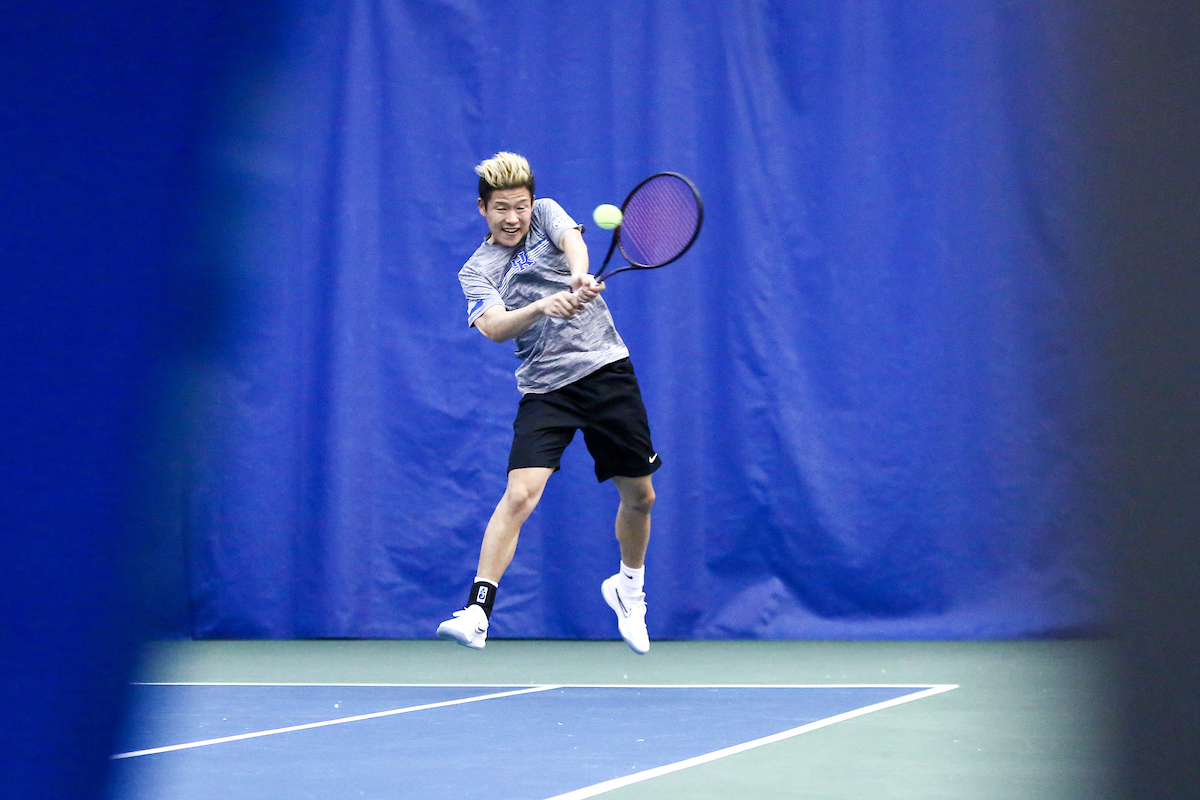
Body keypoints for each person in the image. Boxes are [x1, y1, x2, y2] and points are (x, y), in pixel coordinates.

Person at [437, 152, 660, 654]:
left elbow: (573, 244)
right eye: (501, 209)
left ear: (532, 202)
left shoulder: (548, 213)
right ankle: (477, 612)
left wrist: (578, 276)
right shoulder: (476, 271)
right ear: (482, 209)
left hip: (606, 371)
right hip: (545, 389)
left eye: (519, 206)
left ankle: (628, 589)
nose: (513, 218)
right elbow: (494, 328)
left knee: (641, 497)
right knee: (520, 495)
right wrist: (541, 305)